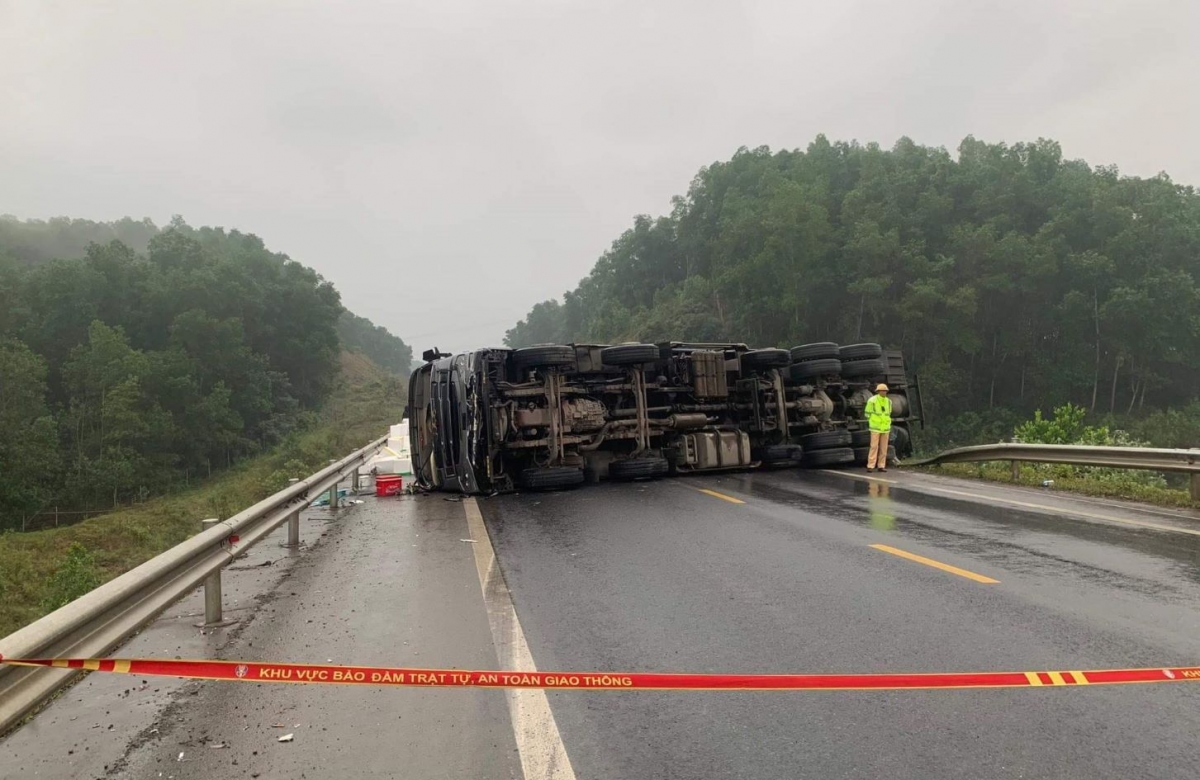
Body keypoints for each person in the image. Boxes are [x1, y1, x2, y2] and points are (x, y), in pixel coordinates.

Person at [864, 383, 892, 472]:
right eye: (882, 391)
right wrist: (873, 421)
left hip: (885, 427)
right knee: (874, 447)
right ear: (878, 391)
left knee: (884, 448)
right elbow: (867, 413)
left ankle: (881, 466)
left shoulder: (888, 401)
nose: (884, 392)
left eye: (885, 391)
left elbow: (889, 413)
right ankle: (870, 466)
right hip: (875, 427)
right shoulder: (872, 400)